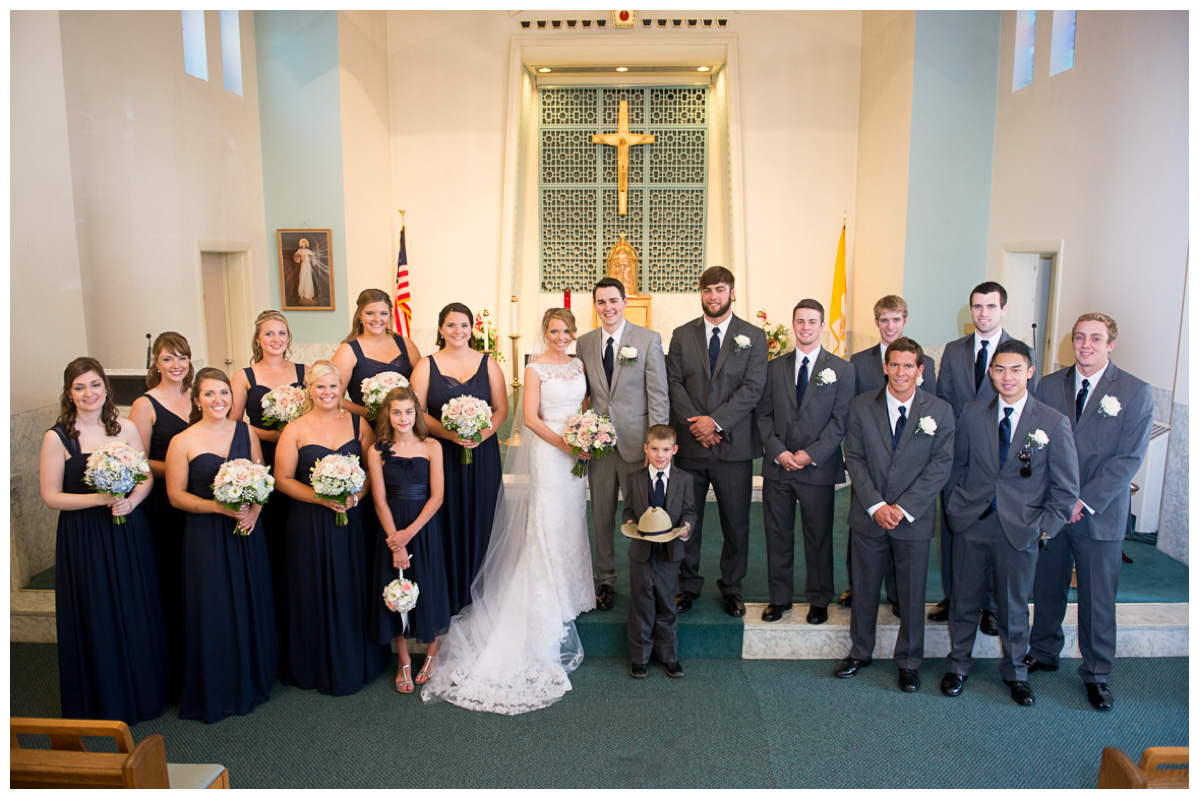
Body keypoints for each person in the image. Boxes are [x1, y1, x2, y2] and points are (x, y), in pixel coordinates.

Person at [421, 308, 595, 714]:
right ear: (544, 332)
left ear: (573, 333)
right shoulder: (535, 370)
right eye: (553, 330)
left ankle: (573, 588)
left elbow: (584, 407)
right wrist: (566, 444)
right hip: (551, 454)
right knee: (548, 520)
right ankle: (546, 592)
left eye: (565, 330)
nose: (560, 336)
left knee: (572, 520)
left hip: (575, 454)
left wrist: (586, 436)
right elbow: (529, 419)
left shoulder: (579, 364)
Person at [940, 339, 1078, 706]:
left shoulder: (1051, 422)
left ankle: (1016, 672)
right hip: (973, 523)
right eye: (1000, 369)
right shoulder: (972, 413)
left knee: (1013, 606)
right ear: (991, 372)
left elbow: (1065, 490)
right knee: (964, 600)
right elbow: (957, 466)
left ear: (1030, 372)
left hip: (1022, 529)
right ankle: (958, 666)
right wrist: (956, 507)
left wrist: (1044, 529)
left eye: (1016, 369)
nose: (1007, 377)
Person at [1026, 313, 1153, 711]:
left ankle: (1097, 673)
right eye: (1079, 337)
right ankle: (1044, 651)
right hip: (1054, 509)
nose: (1085, 345)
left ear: (1110, 344)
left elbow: (1127, 459)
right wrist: (1058, 500)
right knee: (1047, 585)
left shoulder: (1134, 391)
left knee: (1098, 597)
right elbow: (1037, 443)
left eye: (1095, 339)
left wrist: (1082, 501)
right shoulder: (1047, 385)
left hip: (1100, 513)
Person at [39, 357, 167, 723]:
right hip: (85, 537)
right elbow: (51, 496)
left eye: (94, 385)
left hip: (127, 529)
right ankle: (104, 698)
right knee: (97, 612)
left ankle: (143, 693)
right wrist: (100, 499)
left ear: (105, 388)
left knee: (133, 605)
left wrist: (131, 501)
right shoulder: (58, 437)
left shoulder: (125, 428)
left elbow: (145, 478)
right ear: (69, 393)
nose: (88, 393)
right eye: (79, 387)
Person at [835, 338, 955, 692]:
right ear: (884, 367)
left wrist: (901, 509)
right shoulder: (860, 406)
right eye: (895, 365)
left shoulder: (940, 411)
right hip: (869, 514)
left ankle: (909, 661)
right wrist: (876, 506)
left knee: (912, 594)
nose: (901, 372)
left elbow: (940, 466)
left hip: (912, 519)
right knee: (865, 588)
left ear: (920, 371)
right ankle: (860, 651)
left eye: (909, 366)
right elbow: (854, 458)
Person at [165, 368, 277, 722]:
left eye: (224, 393)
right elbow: (174, 496)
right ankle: (216, 686)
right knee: (211, 607)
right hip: (206, 536)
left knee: (248, 600)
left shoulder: (244, 431)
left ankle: (250, 679)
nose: (219, 401)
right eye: (210, 394)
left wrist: (255, 512)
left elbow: (262, 477)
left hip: (246, 531)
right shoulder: (182, 441)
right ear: (197, 399)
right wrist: (218, 507)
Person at [274, 360, 387, 695]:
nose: (327, 392)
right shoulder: (295, 429)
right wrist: (319, 498)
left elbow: (372, 471)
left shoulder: (359, 424)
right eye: (319, 386)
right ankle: (315, 666)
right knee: (313, 587)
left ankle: (356, 660)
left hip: (352, 521)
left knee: (351, 585)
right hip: (309, 523)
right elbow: (281, 479)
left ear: (342, 388)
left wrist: (358, 495)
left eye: (332, 386)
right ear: (308, 389)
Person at [666, 266, 768, 618]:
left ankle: (732, 588)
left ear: (732, 293)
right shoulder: (682, 335)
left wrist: (716, 422)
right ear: (701, 294)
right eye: (708, 290)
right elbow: (674, 383)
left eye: (720, 290)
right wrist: (698, 425)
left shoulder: (753, 336)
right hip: (691, 445)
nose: (714, 296)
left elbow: (753, 388)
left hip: (733, 446)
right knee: (687, 521)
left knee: (736, 522)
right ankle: (688, 585)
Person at [756, 299, 855, 624]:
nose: (806, 327)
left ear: (822, 325)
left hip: (818, 468)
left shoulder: (841, 370)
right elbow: (764, 415)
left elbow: (840, 421)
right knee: (778, 535)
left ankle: (818, 600)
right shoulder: (775, 367)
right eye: (800, 321)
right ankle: (779, 598)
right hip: (778, 466)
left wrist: (810, 454)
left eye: (812, 321)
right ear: (794, 324)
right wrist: (778, 451)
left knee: (818, 537)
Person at [931, 281, 1022, 633]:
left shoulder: (1019, 351)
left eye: (990, 307)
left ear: (1003, 310)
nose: (983, 313)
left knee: (996, 535)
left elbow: (1029, 411)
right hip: (959, 458)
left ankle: (992, 605)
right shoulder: (954, 351)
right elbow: (944, 402)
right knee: (954, 528)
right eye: (977, 307)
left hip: (999, 462)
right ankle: (955, 598)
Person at [408, 302, 508, 615]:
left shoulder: (488, 364)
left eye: (463, 325)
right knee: (446, 519)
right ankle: (449, 596)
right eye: (451, 325)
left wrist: (480, 435)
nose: (458, 331)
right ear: (440, 329)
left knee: (482, 517)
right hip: (442, 456)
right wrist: (450, 434)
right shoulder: (426, 366)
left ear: (471, 329)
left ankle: (480, 595)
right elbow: (416, 413)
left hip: (483, 455)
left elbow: (501, 409)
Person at [577, 276, 669, 611]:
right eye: (601, 302)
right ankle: (604, 582)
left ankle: (646, 582)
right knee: (601, 518)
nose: (608, 308)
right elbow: (583, 395)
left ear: (625, 302)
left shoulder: (646, 340)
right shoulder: (584, 343)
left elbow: (659, 397)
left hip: (636, 446)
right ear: (595, 305)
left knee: (644, 516)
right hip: (600, 449)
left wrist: (656, 448)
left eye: (613, 300)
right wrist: (582, 432)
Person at [841, 295, 936, 610]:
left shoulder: (925, 363)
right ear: (876, 322)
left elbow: (929, 412)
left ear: (905, 321)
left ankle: (898, 593)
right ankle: (860, 588)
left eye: (896, 319)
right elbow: (852, 409)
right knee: (864, 526)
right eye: (884, 319)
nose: (890, 325)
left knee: (903, 531)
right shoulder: (858, 361)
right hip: (870, 461)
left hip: (908, 463)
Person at [229, 310, 305, 672]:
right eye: (269, 334)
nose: (276, 339)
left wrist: (292, 436)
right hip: (262, 461)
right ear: (257, 339)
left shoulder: (304, 373)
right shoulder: (244, 377)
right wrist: (274, 435)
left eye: (282, 333)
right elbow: (232, 424)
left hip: (303, 466)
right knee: (272, 539)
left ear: (289, 338)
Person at [366, 386, 450, 694]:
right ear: (388, 415)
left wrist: (409, 534)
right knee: (394, 589)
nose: (404, 418)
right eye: (397, 412)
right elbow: (379, 500)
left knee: (426, 585)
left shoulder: (432, 447)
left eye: (409, 411)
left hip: (422, 526)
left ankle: (431, 651)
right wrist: (395, 541)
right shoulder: (376, 450)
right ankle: (402, 659)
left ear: (417, 413)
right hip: (390, 529)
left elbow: (438, 496)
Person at [127, 331, 193, 697]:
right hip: (164, 505)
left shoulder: (197, 395)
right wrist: (184, 468)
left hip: (197, 503)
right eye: (168, 358)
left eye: (181, 357)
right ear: (156, 362)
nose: (176, 365)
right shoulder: (145, 405)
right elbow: (139, 461)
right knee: (169, 577)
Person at [622, 425, 696, 679]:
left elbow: (689, 512)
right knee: (641, 604)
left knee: (666, 603)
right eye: (654, 449)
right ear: (646, 449)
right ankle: (640, 657)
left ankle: (669, 656)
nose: (660, 455)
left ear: (674, 450)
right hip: (641, 551)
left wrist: (686, 527)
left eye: (665, 449)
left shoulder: (684, 479)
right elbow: (628, 511)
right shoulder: (634, 479)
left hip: (669, 553)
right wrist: (630, 522)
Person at [331, 289, 421, 420]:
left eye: (383, 313)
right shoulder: (348, 350)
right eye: (370, 313)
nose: (377, 319)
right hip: (367, 426)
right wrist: (373, 414)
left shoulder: (407, 345)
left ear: (390, 316)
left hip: (406, 426)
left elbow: (423, 389)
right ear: (359, 316)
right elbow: (335, 398)